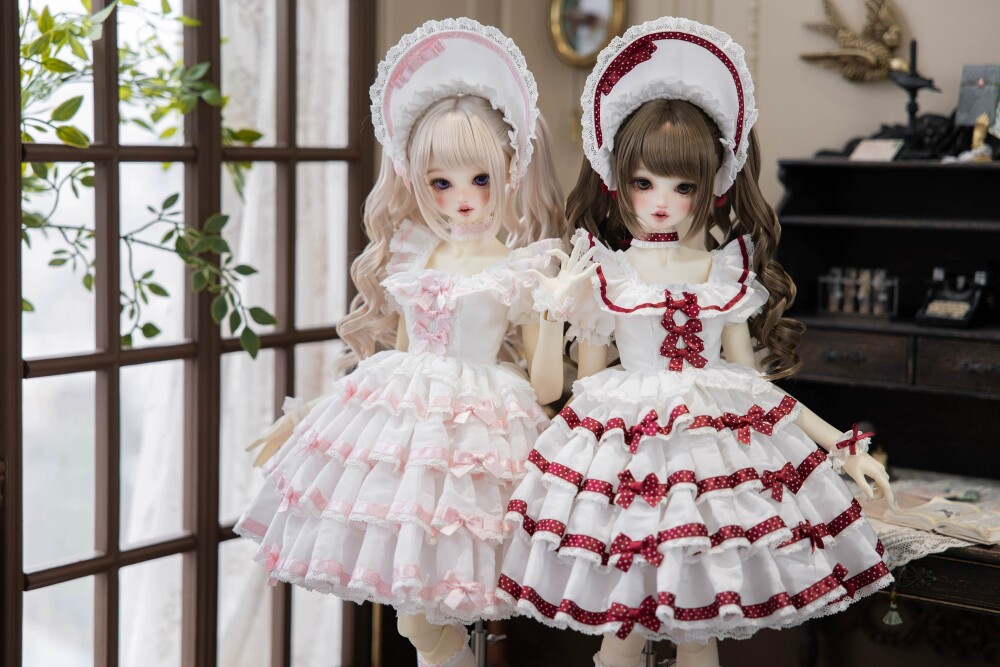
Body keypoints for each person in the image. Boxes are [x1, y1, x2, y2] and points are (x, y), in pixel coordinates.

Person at [498, 17, 894, 667]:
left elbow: (753, 387)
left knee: (700, 629)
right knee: (620, 635)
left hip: (714, 465)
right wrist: (555, 311)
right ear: (617, 178)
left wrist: (841, 444)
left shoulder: (725, 272)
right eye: (644, 182)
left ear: (711, 187)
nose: (661, 201)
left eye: (682, 186)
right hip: (627, 461)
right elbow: (583, 386)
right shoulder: (606, 273)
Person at [235, 18, 568, 667]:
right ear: (416, 181)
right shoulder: (418, 252)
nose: (462, 198)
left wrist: (554, 308)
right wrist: (308, 417)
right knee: (416, 607)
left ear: (510, 170)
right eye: (441, 182)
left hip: (481, 435)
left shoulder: (520, 266)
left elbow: (547, 384)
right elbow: (395, 351)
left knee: (442, 601)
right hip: (408, 429)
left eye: (479, 178)